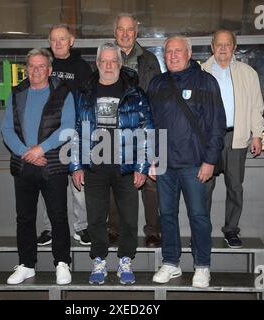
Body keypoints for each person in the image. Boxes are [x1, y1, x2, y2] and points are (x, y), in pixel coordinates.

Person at [70, 42, 153, 285]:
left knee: (128, 218)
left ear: (120, 63)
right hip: (94, 166)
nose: (108, 65)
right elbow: (75, 130)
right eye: (103, 61)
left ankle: (125, 260)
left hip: (125, 166)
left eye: (113, 61)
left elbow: (146, 130)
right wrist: (75, 165)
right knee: (95, 218)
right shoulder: (84, 93)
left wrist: (141, 166)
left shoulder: (135, 93)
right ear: (97, 64)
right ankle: (99, 261)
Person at [148, 36, 226, 288]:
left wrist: (210, 161)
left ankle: (202, 265)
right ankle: (171, 262)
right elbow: (151, 124)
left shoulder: (205, 81)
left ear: (189, 53)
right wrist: (151, 158)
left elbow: (217, 125)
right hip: (164, 164)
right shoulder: (157, 83)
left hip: (195, 164)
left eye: (177, 51)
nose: (172, 55)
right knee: (167, 215)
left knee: (199, 216)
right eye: (168, 51)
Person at [1, 48, 75, 285]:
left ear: (50, 69)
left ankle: (62, 263)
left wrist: (40, 149)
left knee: (58, 216)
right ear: (26, 69)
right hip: (24, 166)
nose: (36, 70)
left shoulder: (64, 93)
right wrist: (26, 153)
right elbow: (6, 129)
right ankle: (26, 265)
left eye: (41, 65)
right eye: (32, 66)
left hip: (52, 165)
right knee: (24, 218)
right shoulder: (16, 93)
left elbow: (68, 127)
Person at [201, 29, 264, 249]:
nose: (222, 48)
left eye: (227, 44)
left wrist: (257, 134)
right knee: (204, 188)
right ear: (211, 47)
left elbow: (257, 107)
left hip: (236, 137)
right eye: (218, 44)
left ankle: (231, 230)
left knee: (235, 187)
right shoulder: (200, 72)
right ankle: (203, 231)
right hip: (208, 139)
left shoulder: (248, 73)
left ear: (234, 47)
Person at [108, 13, 162, 248]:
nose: (126, 33)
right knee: (116, 181)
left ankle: (153, 232)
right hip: (114, 130)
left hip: (145, 127)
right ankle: (113, 230)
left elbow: (159, 94)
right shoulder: (106, 57)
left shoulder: (149, 59)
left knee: (150, 182)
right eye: (121, 29)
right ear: (115, 32)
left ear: (136, 32)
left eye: (130, 29)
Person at [37, 24, 93, 247]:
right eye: (53, 39)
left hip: (76, 133)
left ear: (71, 41)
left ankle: (82, 227)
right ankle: (50, 228)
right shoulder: (42, 64)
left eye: (62, 39)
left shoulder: (81, 67)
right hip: (48, 134)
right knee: (49, 183)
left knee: (79, 184)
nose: (57, 43)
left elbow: (89, 100)